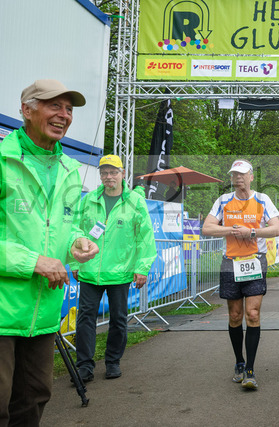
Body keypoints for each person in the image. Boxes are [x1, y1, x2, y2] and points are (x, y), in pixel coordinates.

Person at [0, 79, 99, 425]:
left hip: (42, 315)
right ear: (26, 110)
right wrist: (33, 262)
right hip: (3, 312)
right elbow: (35, 251)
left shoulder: (70, 170)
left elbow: (62, 229)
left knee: (34, 399)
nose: (64, 115)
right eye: (54, 105)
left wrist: (77, 243)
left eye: (69, 109)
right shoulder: (3, 159)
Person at [72, 154, 157, 382]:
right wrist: (75, 261)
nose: (108, 176)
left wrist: (142, 267)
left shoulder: (135, 202)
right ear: (100, 175)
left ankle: (112, 362)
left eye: (113, 172)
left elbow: (145, 237)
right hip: (90, 270)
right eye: (104, 173)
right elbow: (76, 231)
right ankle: (84, 366)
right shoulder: (89, 200)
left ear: (122, 174)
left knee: (118, 319)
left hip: (120, 272)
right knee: (85, 319)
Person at [202, 159, 279, 390]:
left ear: (251, 176)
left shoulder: (262, 199)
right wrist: (232, 230)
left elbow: (276, 228)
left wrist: (252, 232)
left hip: (255, 261)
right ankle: (239, 361)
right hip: (231, 263)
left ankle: (251, 369)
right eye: (234, 175)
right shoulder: (223, 200)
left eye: (242, 174)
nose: (238, 178)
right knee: (235, 316)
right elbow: (207, 227)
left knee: (252, 314)